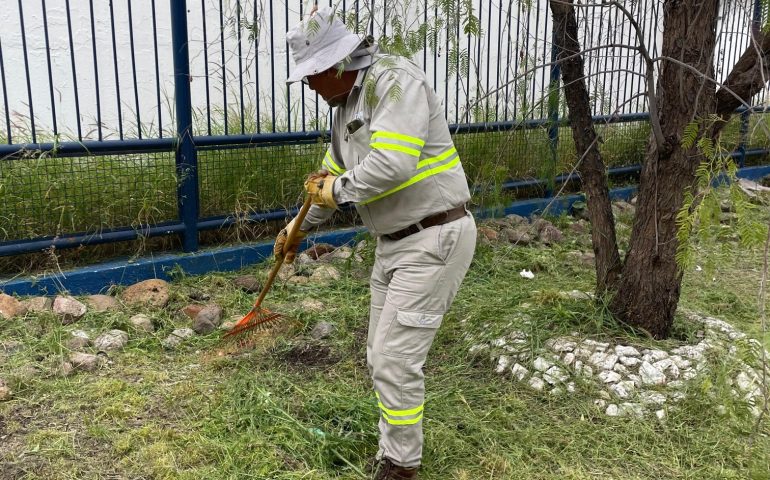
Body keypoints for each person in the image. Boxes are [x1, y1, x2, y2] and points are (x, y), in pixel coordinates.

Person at [276, 7, 476, 479]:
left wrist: (336, 191)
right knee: (379, 354)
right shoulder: (345, 107)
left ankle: (401, 466)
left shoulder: (394, 81)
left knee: (394, 358)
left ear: (335, 65)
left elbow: (392, 164)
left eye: (311, 76)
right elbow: (326, 181)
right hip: (394, 242)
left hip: (434, 236)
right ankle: (395, 450)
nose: (309, 86)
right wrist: (297, 228)